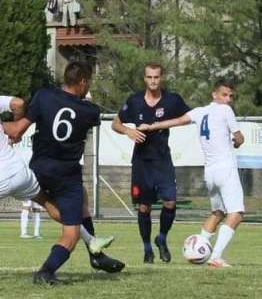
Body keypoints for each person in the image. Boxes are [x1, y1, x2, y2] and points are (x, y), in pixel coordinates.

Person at [3, 62, 124, 284]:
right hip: (66, 175)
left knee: (81, 200)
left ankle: (97, 254)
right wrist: (85, 101)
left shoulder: (44, 95)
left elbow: (18, 128)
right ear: (83, 82)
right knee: (71, 233)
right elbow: (87, 112)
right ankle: (47, 271)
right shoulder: (90, 111)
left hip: (38, 169)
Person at [138, 80, 245, 268]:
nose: (228, 99)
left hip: (210, 171)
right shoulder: (226, 111)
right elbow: (239, 137)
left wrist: (151, 126)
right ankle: (216, 256)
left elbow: (176, 121)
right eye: (224, 95)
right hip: (225, 168)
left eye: (231, 96)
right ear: (214, 95)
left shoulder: (199, 112)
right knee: (236, 213)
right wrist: (237, 142)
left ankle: (196, 249)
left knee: (218, 212)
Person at [111, 63, 190, 264]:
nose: (153, 81)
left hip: (163, 160)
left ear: (161, 78)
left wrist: (158, 126)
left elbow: (187, 118)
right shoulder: (135, 100)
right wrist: (129, 131)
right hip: (141, 162)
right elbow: (115, 123)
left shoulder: (172, 100)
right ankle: (147, 249)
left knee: (170, 202)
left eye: (156, 77)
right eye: (149, 77)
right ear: (144, 78)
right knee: (144, 207)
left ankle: (161, 239)